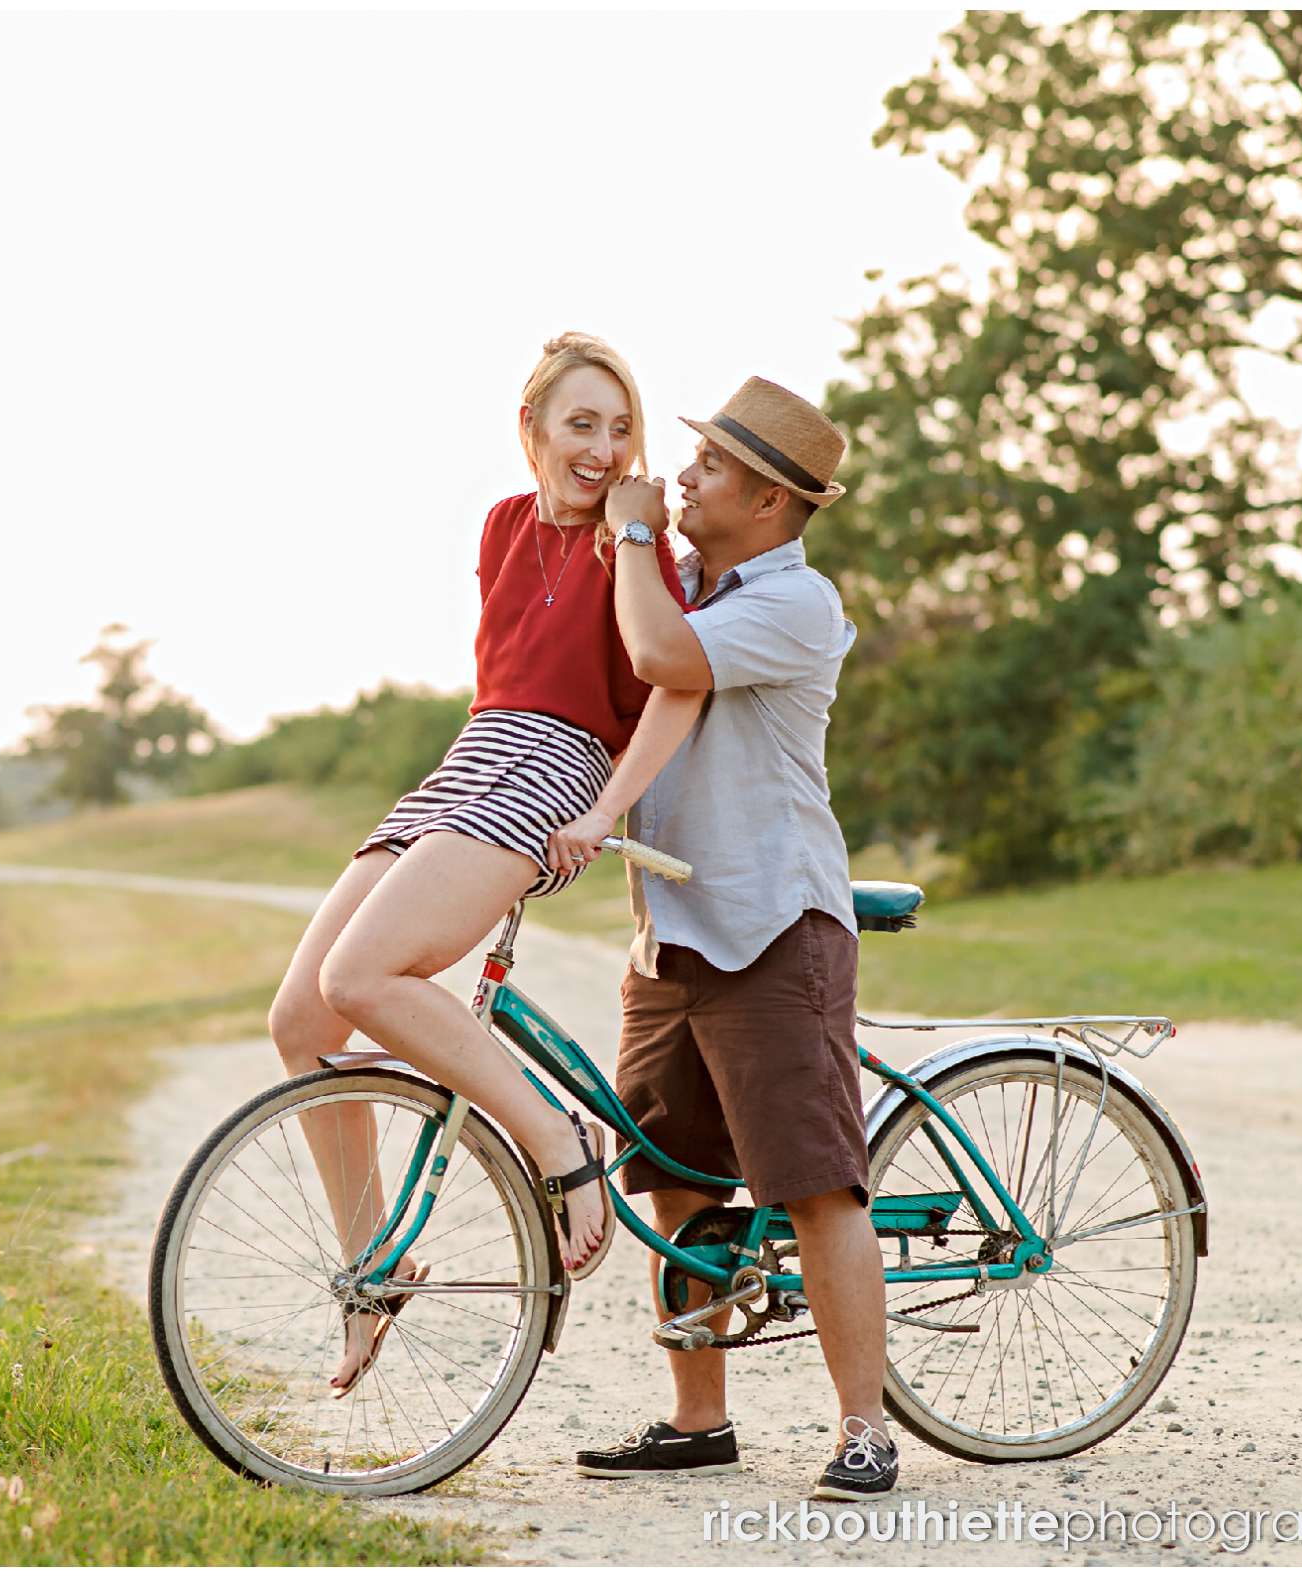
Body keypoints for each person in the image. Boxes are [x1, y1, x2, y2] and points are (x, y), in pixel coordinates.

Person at [268, 332, 708, 1398]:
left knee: (363, 977)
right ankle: (378, 1263)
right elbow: (509, 677)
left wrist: (603, 811)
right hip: (472, 753)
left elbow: (675, 688)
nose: (601, 448)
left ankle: (556, 1145)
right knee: (300, 1021)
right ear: (530, 432)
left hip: (557, 765)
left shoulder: (642, 547)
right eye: (579, 424)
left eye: (618, 428)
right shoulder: (503, 525)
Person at [569, 376, 898, 1500]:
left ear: (767, 501)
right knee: (671, 1175)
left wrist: (625, 529)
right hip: (671, 932)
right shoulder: (689, 578)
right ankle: (697, 1415)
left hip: (770, 924)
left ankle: (865, 1427)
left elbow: (663, 660)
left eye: (708, 464)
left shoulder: (792, 602)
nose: (684, 472)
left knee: (813, 1187)